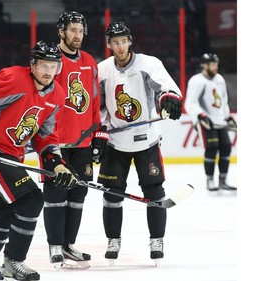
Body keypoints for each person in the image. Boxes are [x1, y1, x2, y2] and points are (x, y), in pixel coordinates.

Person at [0, 40, 78, 281]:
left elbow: (46, 136)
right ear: (32, 65)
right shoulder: (14, 79)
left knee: (5, 210)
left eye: (53, 67)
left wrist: (57, 162)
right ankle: (14, 262)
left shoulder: (58, 95)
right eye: (43, 65)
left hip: (12, 155)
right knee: (31, 200)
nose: (48, 72)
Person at [97, 21, 183, 265]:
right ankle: (113, 240)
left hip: (147, 140)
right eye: (115, 42)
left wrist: (169, 99)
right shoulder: (102, 70)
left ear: (130, 41)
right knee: (111, 196)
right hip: (116, 143)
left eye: (124, 41)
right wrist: (100, 131)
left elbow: (167, 88)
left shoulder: (149, 64)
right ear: (109, 44)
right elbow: (98, 107)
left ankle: (157, 240)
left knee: (155, 192)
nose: (120, 46)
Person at [42, 11, 108, 269]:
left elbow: (93, 102)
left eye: (80, 31)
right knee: (55, 194)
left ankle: (68, 244)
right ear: (61, 31)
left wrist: (98, 132)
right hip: (55, 142)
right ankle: (55, 245)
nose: (77, 35)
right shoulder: (50, 61)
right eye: (72, 30)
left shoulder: (90, 61)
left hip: (83, 142)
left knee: (78, 195)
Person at [185, 53, 237, 192]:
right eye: (213, 64)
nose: (215, 67)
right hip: (205, 121)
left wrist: (228, 117)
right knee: (211, 149)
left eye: (216, 64)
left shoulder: (219, 79)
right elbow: (190, 103)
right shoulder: (197, 81)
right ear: (205, 65)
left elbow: (223, 101)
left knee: (226, 148)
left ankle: (223, 181)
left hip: (220, 121)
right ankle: (210, 181)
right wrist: (200, 115)